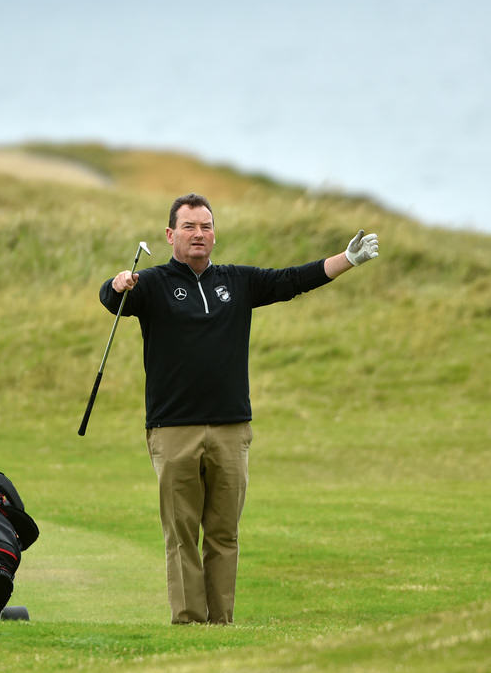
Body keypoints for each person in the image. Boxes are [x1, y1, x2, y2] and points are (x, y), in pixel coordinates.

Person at [99, 192, 379, 624]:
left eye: (206, 226)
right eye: (189, 226)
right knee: (182, 535)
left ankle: (221, 623)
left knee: (224, 533)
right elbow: (112, 300)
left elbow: (292, 280)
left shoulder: (236, 281)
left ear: (215, 234)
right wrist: (117, 284)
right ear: (170, 234)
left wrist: (346, 259)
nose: (199, 234)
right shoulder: (151, 284)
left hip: (231, 429)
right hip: (173, 429)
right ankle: (190, 621)